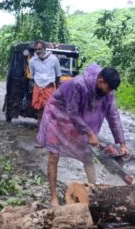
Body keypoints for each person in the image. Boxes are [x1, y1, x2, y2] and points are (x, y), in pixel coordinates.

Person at [36, 63, 128, 206]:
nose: (109, 92)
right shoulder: (77, 85)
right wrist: (89, 133)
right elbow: (72, 112)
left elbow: (113, 114)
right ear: (100, 81)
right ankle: (53, 198)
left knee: (88, 155)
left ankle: (93, 192)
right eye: (108, 89)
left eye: (111, 90)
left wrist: (122, 143)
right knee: (54, 155)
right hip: (57, 116)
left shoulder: (107, 91)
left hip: (78, 121)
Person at [29, 40, 61, 114]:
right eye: (36, 49)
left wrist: (53, 86)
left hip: (49, 88)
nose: (37, 51)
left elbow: (58, 75)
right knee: (39, 110)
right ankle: (40, 125)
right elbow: (33, 75)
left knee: (49, 110)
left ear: (44, 49)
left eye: (39, 49)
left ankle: (46, 125)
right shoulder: (32, 61)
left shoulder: (54, 59)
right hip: (38, 88)